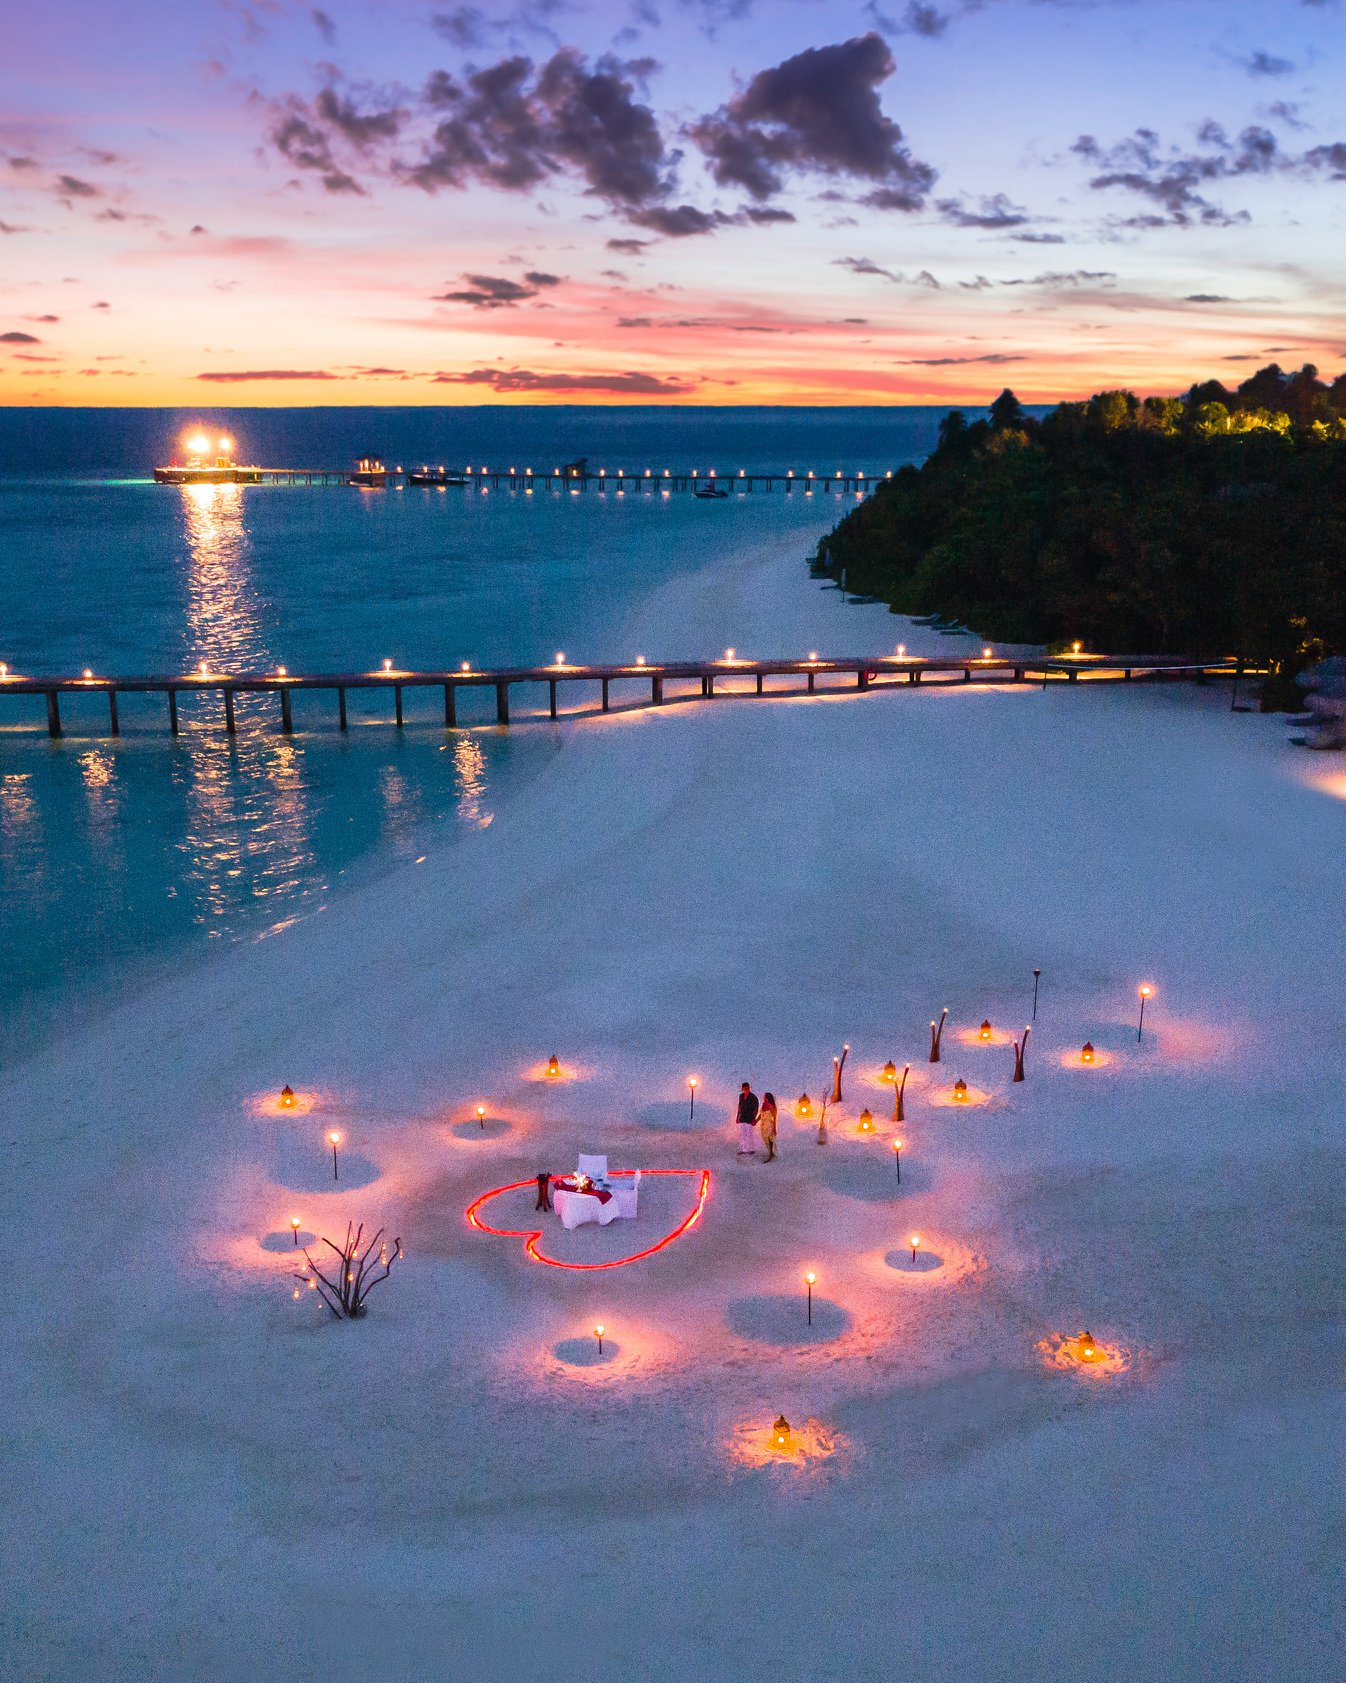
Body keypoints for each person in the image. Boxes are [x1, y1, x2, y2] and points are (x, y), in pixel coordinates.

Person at [735, 1082, 759, 1154]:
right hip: (742, 1117)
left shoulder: (753, 1097)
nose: (746, 1089)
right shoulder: (741, 1096)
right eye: (745, 1088)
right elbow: (739, 1106)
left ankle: (752, 1149)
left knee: (749, 1134)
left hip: (750, 1117)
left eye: (748, 1088)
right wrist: (737, 1116)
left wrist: (754, 1119)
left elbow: (756, 1109)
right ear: (742, 1089)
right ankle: (744, 1149)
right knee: (743, 1134)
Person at [759, 1092, 778, 1162]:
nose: (763, 1098)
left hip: (769, 1124)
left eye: (764, 1097)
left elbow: (775, 1118)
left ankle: (770, 1154)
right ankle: (771, 1152)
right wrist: (756, 1120)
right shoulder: (764, 1104)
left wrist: (774, 1128)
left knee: (770, 1139)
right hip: (763, 1125)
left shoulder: (772, 1107)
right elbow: (761, 1114)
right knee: (765, 1138)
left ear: (767, 1098)